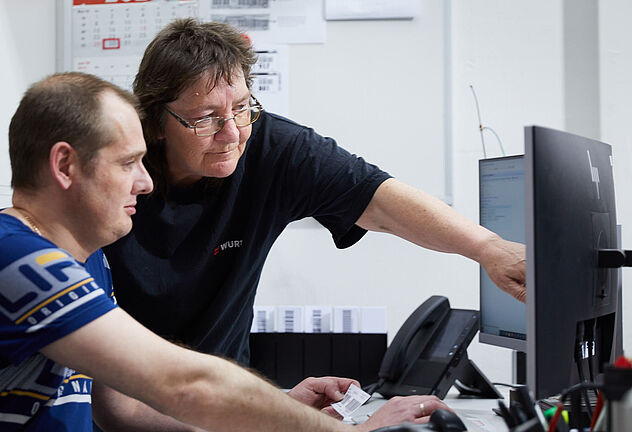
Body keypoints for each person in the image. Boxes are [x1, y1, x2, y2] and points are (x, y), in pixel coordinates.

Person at [0, 72, 446, 431]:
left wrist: (282, 412)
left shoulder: (84, 262)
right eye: (129, 163)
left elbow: (126, 409)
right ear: (65, 167)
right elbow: (187, 384)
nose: (146, 183)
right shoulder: (9, 260)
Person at [98, 18, 526, 429]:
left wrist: (486, 248)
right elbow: (117, 408)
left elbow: (379, 200)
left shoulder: (271, 147)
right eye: (205, 119)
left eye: (243, 108)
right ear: (155, 123)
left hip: (223, 408)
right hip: (141, 410)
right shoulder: (112, 184)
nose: (231, 134)